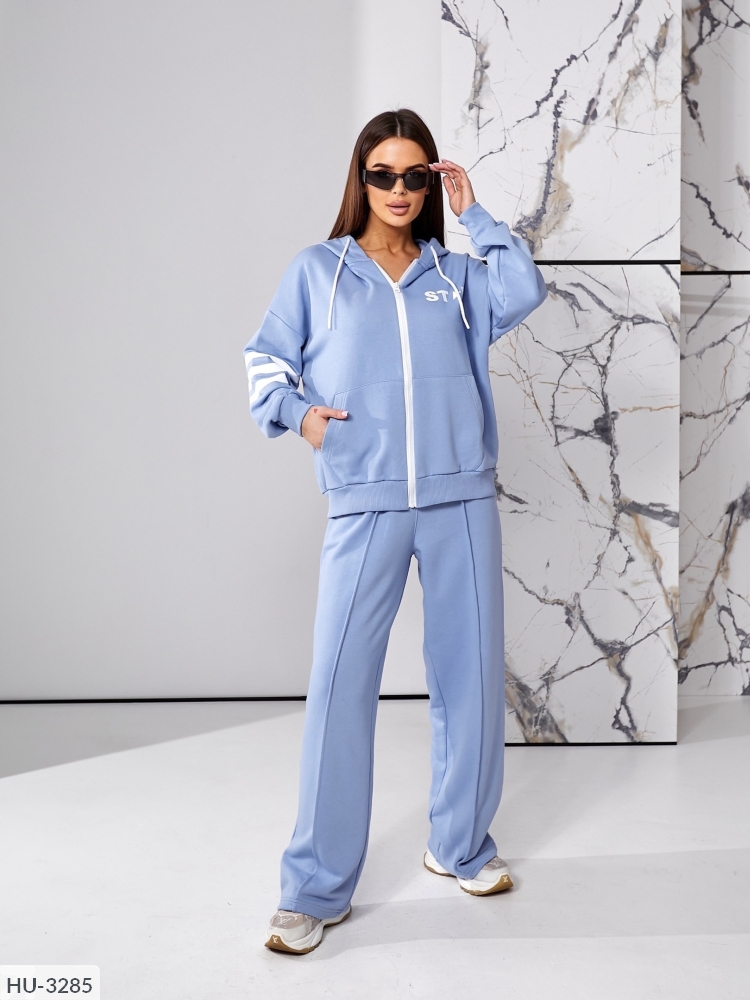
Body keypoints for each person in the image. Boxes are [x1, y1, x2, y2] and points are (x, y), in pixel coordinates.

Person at [244, 109, 547, 954]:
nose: (401, 190)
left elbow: (524, 289)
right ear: (361, 178)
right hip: (364, 500)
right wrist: (300, 416)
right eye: (384, 174)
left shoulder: (457, 273)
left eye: (417, 176)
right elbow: (265, 359)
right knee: (340, 686)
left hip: (461, 500)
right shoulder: (320, 270)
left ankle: (460, 846)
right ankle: (313, 887)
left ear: (431, 183)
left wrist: (477, 215)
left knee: (470, 681)